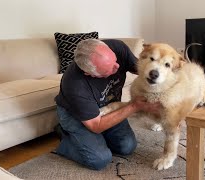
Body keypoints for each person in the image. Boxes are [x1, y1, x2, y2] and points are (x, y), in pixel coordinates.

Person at [54, 39, 161, 170]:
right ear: (89, 74)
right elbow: (96, 126)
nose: (117, 67)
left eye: (115, 60)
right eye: (109, 69)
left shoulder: (117, 47)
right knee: (99, 159)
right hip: (76, 115)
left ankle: (94, 140)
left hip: (107, 107)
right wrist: (134, 106)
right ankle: (65, 138)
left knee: (127, 147)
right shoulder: (75, 85)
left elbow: (142, 70)